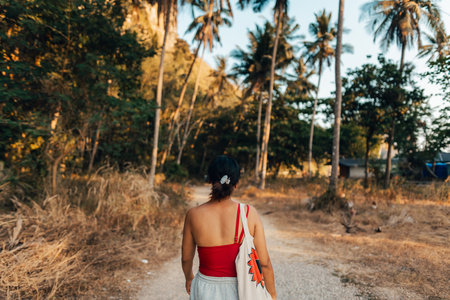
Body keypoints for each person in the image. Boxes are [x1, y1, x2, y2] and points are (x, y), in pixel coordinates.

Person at [181, 155, 276, 300]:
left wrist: (189, 278)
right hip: (240, 289)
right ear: (236, 184)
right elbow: (264, 263)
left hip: (205, 288)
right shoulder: (249, 213)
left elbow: (186, 258)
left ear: (210, 181)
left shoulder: (193, 215)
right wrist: (272, 295)